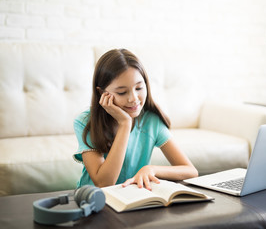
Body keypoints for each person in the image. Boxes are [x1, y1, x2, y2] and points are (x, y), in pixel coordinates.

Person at [73, 48, 198, 191]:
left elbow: (190, 171)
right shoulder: (85, 122)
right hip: (94, 199)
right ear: (102, 93)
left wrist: (151, 169)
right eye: (122, 92)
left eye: (139, 88)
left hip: (131, 197)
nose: (133, 99)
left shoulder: (151, 120)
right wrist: (125, 124)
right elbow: (104, 183)